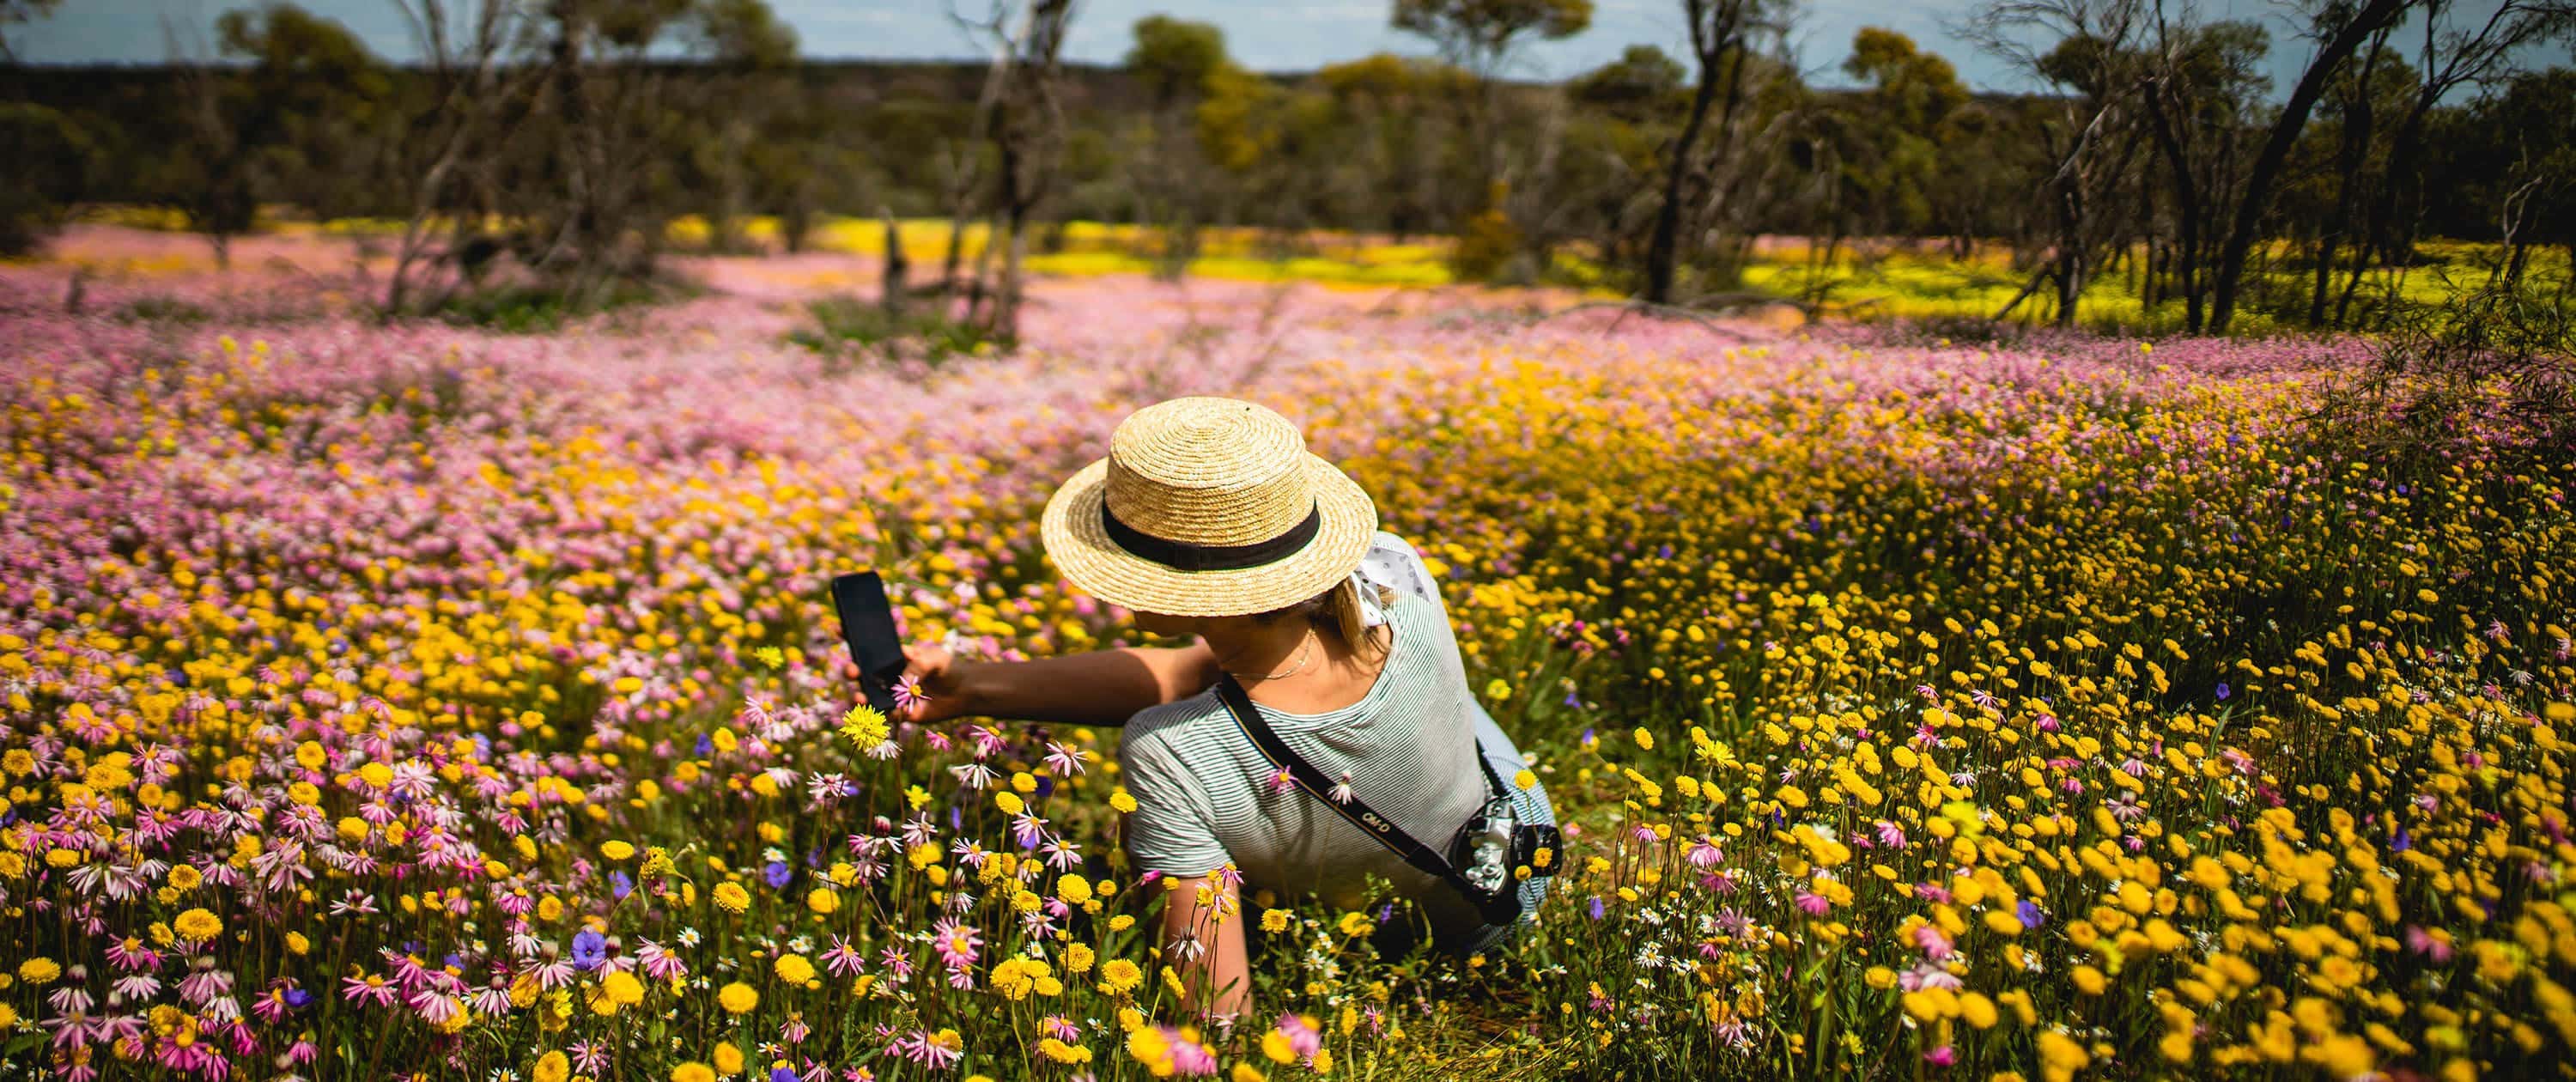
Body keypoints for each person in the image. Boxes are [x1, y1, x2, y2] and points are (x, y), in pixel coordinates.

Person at [890, 396, 1552, 1021]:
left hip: (1418, 948)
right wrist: (974, 690)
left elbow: (1217, 1007)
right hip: (1518, 854)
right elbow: (1191, 673)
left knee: (1192, 768)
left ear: (1181, 589)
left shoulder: (1169, 751)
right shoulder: (1390, 570)